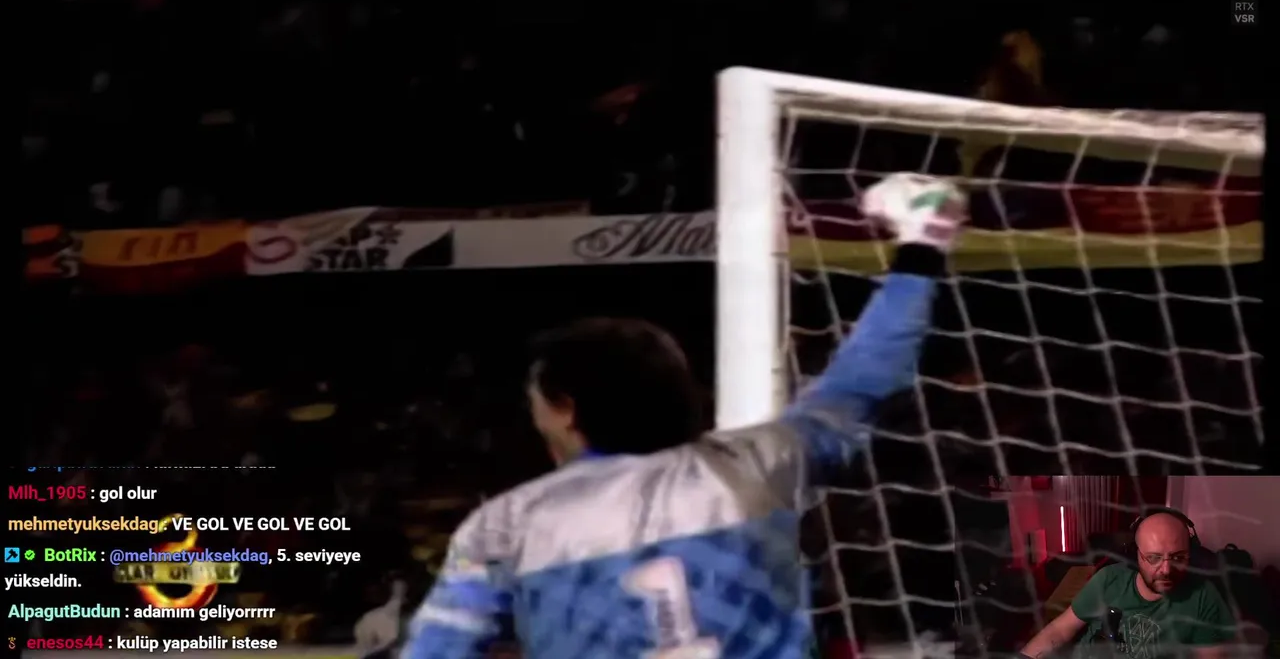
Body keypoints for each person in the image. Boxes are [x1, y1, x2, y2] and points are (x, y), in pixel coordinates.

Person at [401, 172, 967, 659]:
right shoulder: (758, 463)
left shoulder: (506, 525)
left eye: (537, 405)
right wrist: (921, 249)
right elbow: (862, 380)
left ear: (566, 409)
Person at [1017, 510, 1236, 659]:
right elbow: (1059, 630)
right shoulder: (1108, 579)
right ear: (1135, 555)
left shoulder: (1204, 597)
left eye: (1178, 557)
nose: (1166, 570)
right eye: (1153, 558)